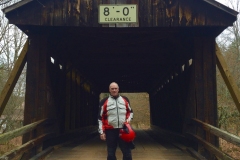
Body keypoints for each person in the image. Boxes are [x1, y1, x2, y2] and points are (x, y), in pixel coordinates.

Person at [98, 82, 134, 160]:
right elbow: (100, 118)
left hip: (123, 130)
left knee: (127, 153)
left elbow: (130, 112)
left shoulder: (125, 100)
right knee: (111, 154)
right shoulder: (104, 101)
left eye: (115, 88)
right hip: (110, 131)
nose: (114, 90)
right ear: (109, 90)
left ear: (118, 89)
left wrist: (128, 119)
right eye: (112, 89)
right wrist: (102, 132)